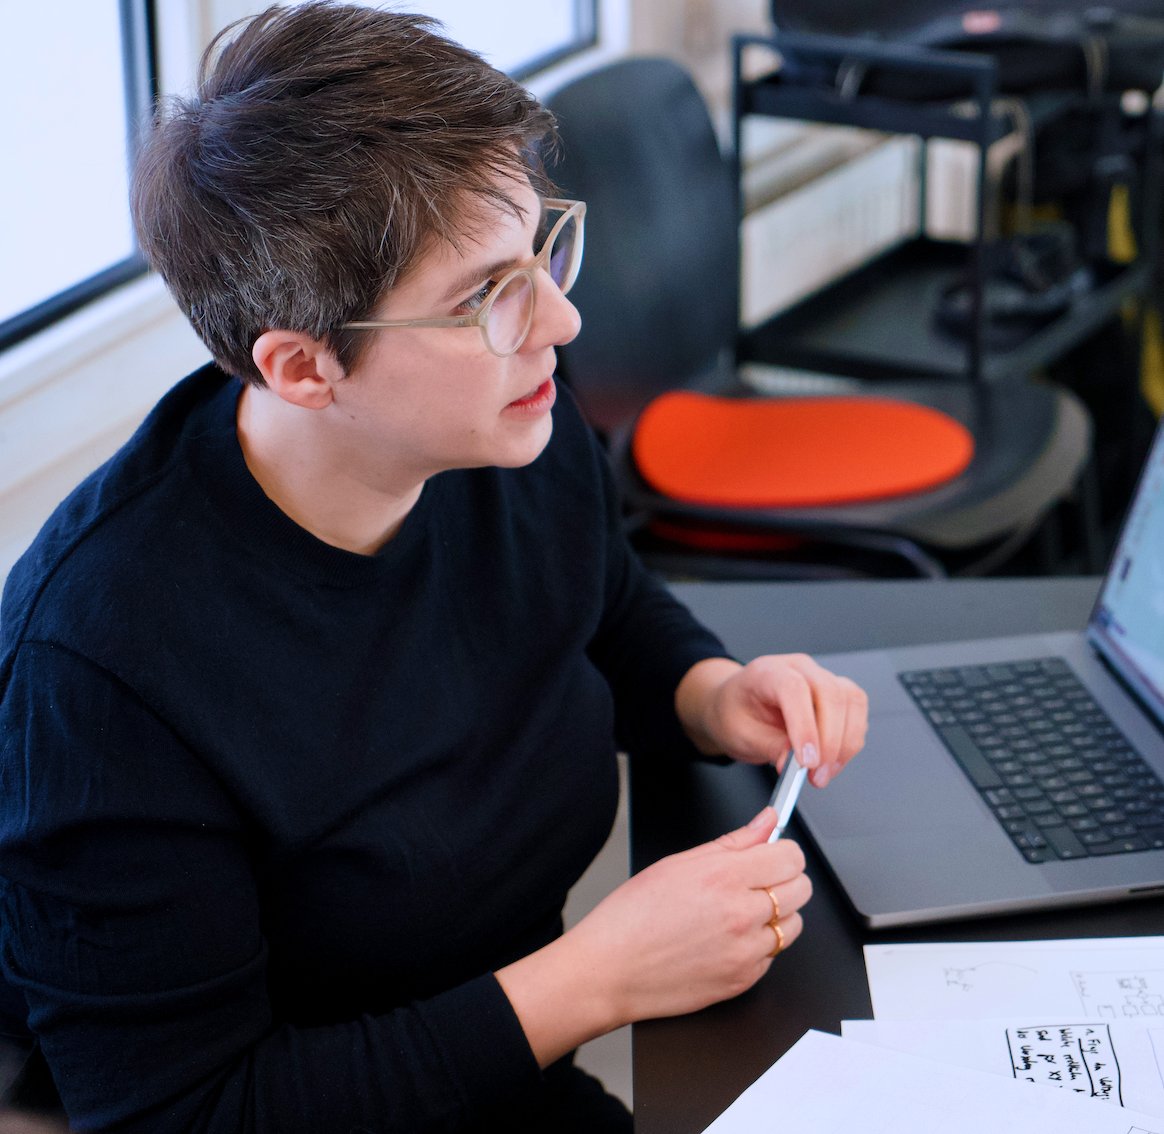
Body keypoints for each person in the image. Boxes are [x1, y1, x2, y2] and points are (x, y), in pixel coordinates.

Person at [0, 4, 869, 1130]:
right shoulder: (98, 674)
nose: (559, 320)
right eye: (484, 297)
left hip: (503, 1078)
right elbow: (183, 1113)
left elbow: (599, 604)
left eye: (543, 249)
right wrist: (595, 980)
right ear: (304, 368)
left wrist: (710, 693)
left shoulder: (503, 429)